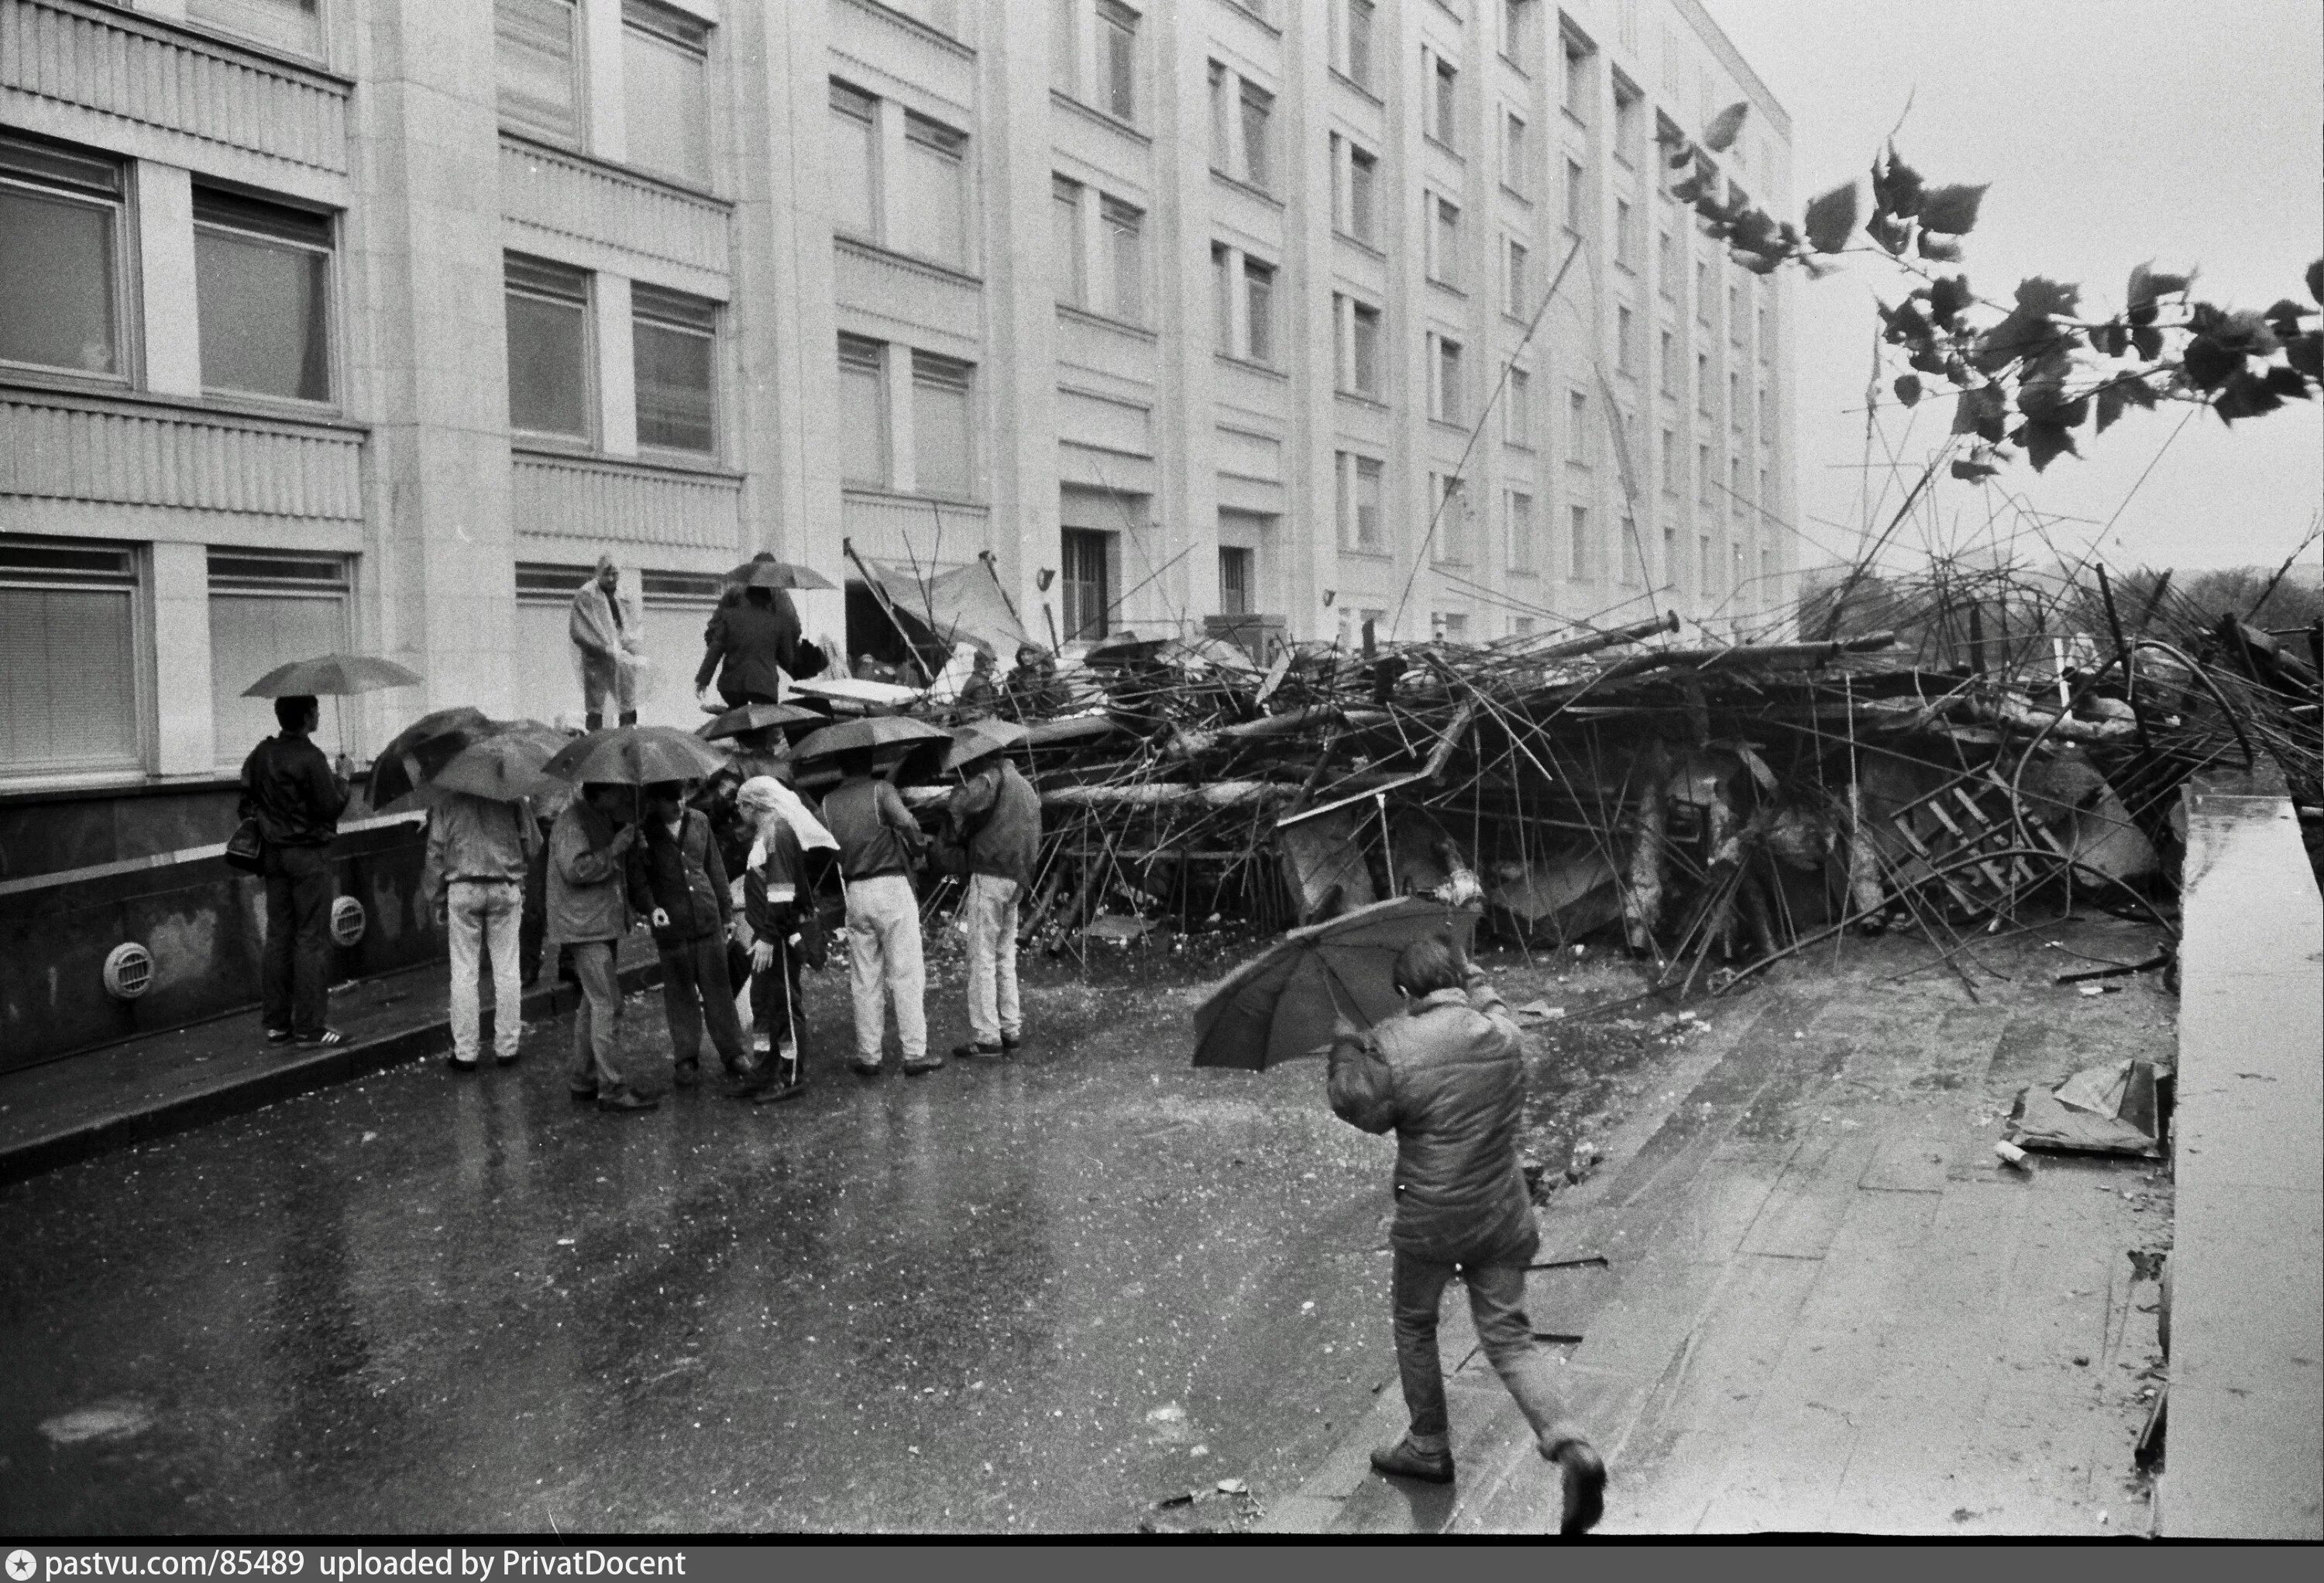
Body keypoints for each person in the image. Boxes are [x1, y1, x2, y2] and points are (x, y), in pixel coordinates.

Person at [1326, 935, 1608, 1535]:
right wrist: (1470, 966)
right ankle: (1570, 1442)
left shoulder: (1393, 1046)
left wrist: (1346, 1042)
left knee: (1414, 1322)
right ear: (1457, 978)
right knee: (1509, 1337)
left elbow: (1361, 1109)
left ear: (1406, 993)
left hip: (1430, 1220)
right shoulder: (1502, 1031)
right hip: (1502, 1213)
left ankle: (1428, 1444)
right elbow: (1493, 1000)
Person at [240, 695, 351, 1048]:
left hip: (273, 857)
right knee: (310, 939)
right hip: (307, 858)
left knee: (278, 936)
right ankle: (310, 1028)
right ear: (306, 717)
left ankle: (276, 1025)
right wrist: (344, 779)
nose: (319, 715)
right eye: (316, 710)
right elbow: (329, 808)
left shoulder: (261, 754)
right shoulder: (311, 757)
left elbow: (245, 801)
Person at [625, 780, 750, 1087]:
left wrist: (727, 913)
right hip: (672, 927)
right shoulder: (643, 834)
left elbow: (715, 869)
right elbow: (638, 881)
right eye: (670, 801)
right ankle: (686, 1057)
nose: (678, 805)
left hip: (706, 918)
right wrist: (650, 907)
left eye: (681, 798)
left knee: (719, 988)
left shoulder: (700, 821)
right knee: (680, 994)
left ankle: (732, 1052)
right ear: (654, 802)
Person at [822, 747, 933, 1075]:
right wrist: (918, 850)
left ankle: (869, 1056)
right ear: (870, 763)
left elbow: (820, 841)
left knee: (864, 979)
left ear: (841, 766)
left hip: (855, 891)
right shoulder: (881, 791)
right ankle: (914, 1053)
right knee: (906, 973)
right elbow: (909, 824)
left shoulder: (827, 804)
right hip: (891, 887)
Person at [419, 787, 541, 1071]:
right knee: (508, 970)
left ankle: (465, 1052)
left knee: (464, 972)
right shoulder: (512, 797)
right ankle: (507, 1048)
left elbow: (435, 853)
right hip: (504, 886)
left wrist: (436, 898)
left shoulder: (447, 800)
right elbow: (534, 845)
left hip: (462, 888)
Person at [548, 784, 653, 1112]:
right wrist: (615, 849)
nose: (622, 796)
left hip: (597, 922)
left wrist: (627, 845)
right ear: (599, 791)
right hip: (585, 927)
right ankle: (612, 1087)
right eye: (616, 791)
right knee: (608, 1003)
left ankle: (584, 1080)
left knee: (592, 1004)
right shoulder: (572, 822)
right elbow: (576, 869)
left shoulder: (597, 816)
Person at [945, 745, 1040, 1060]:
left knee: (981, 957)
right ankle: (1011, 1030)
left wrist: (959, 794)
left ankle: (987, 1036)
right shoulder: (1026, 787)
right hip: (1018, 878)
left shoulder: (990, 779)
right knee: (1004, 957)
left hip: (990, 871)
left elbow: (960, 802)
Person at [732, 775, 820, 1104]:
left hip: (777, 935)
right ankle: (764, 1069)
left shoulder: (777, 833)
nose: (738, 813)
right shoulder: (769, 833)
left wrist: (769, 935)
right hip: (768, 933)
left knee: (783, 1003)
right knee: (764, 1004)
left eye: (740, 806)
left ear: (751, 806)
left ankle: (790, 1073)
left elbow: (782, 891)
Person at [696, 582, 801, 712]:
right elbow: (788, 653)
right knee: (764, 722)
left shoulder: (730, 615)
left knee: (737, 720)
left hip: (731, 686)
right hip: (764, 686)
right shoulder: (779, 615)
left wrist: (703, 680)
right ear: (769, 600)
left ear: (747, 596)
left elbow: (715, 647)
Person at [571, 555, 642, 730]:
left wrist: (631, 648)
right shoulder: (586, 596)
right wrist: (604, 648)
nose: (611, 579)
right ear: (598, 573)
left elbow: (633, 625)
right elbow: (580, 630)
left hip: (623, 658)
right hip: (597, 660)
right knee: (597, 708)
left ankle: (627, 739)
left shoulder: (624, 594)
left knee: (628, 704)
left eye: (615, 574)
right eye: (607, 574)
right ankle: (596, 740)